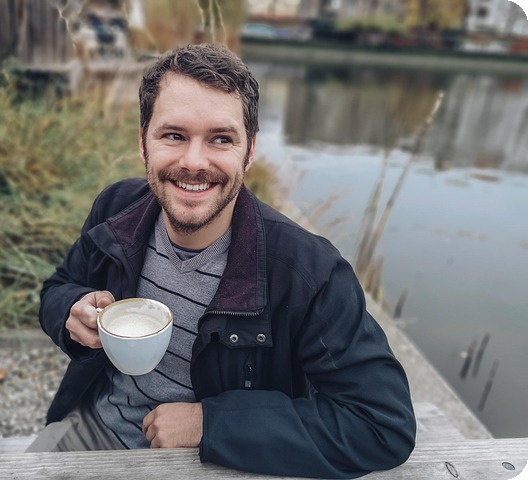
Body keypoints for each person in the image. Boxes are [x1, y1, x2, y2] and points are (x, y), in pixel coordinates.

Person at [29, 42, 416, 478]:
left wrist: (212, 422)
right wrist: (71, 310)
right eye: (174, 135)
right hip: (94, 432)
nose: (194, 162)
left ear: (249, 152)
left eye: (221, 139)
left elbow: (382, 424)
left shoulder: (309, 272)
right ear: (143, 142)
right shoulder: (116, 209)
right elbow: (58, 287)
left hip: (221, 462)